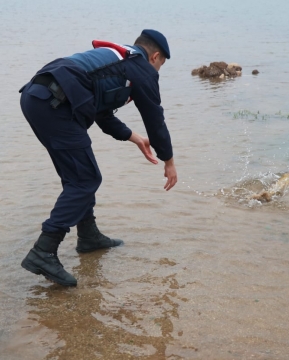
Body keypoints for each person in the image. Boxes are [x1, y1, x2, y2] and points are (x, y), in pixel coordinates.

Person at [18, 29, 177, 286]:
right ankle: (43, 251)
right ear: (155, 56)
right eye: (160, 66)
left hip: (37, 98)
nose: (157, 72)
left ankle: (88, 236)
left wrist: (133, 137)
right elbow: (155, 119)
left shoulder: (118, 60)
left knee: (78, 176)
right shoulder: (141, 68)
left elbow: (101, 112)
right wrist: (168, 161)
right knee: (85, 179)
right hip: (55, 105)